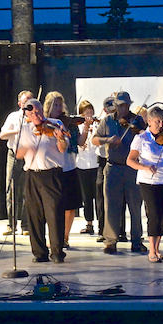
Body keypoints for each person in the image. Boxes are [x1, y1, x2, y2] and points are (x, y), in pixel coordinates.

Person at [93, 91, 148, 255]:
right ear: (115, 105)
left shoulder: (136, 120)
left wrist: (138, 131)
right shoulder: (108, 120)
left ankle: (137, 240)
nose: (124, 109)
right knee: (111, 205)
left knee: (135, 206)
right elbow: (95, 139)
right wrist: (108, 140)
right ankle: (110, 241)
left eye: (126, 105)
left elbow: (146, 137)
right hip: (113, 167)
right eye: (121, 105)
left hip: (132, 167)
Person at [16, 98, 68, 263]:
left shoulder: (55, 123)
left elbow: (63, 149)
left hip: (51, 174)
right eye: (31, 113)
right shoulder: (24, 129)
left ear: (42, 110)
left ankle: (57, 252)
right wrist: (27, 148)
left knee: (54, 214)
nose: (36, 115)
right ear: (27, 115)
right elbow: (18, 154)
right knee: (34, 215)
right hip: (32, 174)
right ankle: (39, 253)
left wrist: (60, 138)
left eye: (38, 111)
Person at [127, 106, 163, 262]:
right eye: (157, 121)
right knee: (154, 214)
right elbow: (130, 160)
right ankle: (151, 250)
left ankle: (157, 249)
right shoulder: (141, 139)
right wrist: (145, 167)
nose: (161, 125)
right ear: (149, 121)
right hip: (149, 182)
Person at [44, 92, 85, 248]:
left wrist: (85, 127)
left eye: (60, 104)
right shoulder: (45, 123)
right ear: (48, 106)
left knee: (70, 205)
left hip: (70, 166)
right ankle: (54, 237)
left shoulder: (69, 123)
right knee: (54, 206)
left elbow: (79, 142)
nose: (59, 107)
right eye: (55, 105)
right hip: (55, 168)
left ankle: (65, 237)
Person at [0, 90, 33, 236]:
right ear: (20, 103)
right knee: (11, 190)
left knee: (27, 191)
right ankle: (11, 224)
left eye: (31, 100)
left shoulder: (35, 117)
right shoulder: (13, 117)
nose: (29, 103)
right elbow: (2, 135)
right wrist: (18, 130)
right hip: (13, 154)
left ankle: (25, 225)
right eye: (26, 101)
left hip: (29, 155)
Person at [75, 100, 100, 235]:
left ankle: (101, 223)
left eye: (91, 112)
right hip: (82, 165)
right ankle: (89, 223)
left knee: (98, 196)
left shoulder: (97, 126)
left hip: (95, 164)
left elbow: (99, 144)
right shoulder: (78, 127)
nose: (89, 116)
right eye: (86, 113)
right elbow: (76, 144)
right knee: (87, 197)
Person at [94, 95, 116, 242]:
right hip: (103, 160)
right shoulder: (102, 122)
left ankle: (118, 231)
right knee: (101, 196)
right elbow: (95, 141)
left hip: (115, 160)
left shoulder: (119, 122)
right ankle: (102, 229)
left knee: (116, 197)